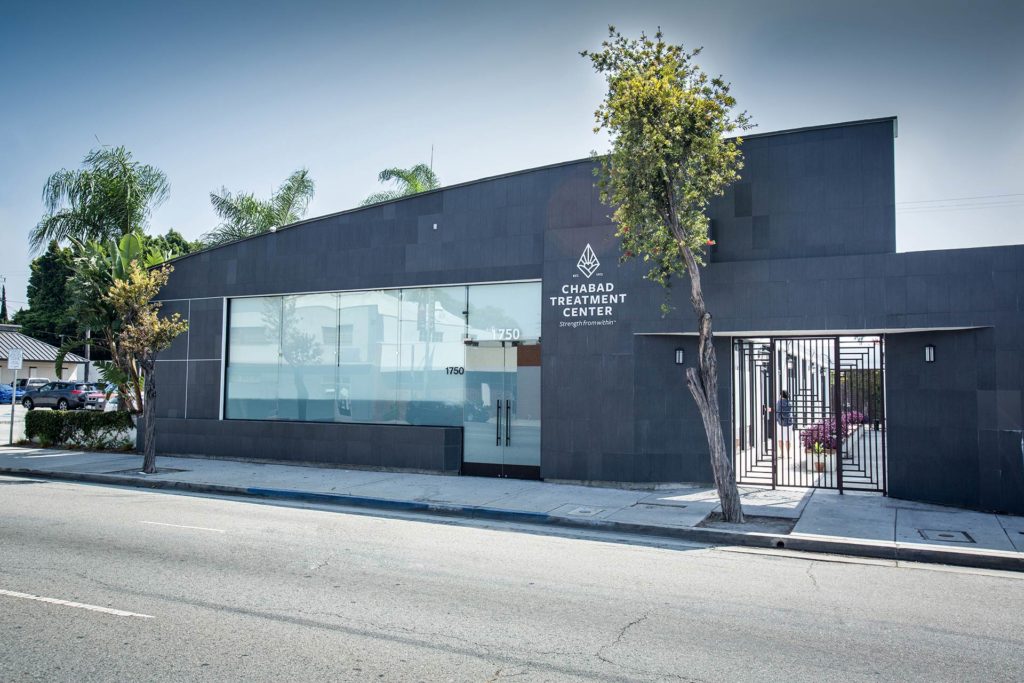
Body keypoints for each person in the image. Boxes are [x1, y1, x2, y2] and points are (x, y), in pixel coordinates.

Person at [775, 390, 794, 457]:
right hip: (789, 422)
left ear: (781, 395)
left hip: (781, 423)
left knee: (780, 439)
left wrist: (779, 421)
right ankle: (788, 454)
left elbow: (778, 413)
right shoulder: (789, 402)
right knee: (788, 439)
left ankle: (782, 454)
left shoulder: (779, 402)